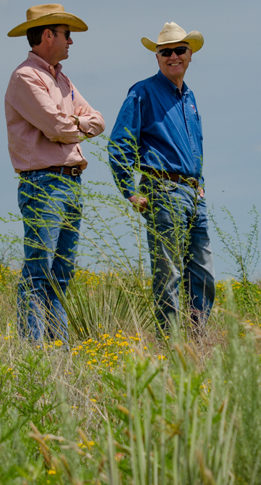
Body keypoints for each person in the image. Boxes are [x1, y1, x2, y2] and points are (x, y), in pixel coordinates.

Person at [4, 4, 105, 342]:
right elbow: (57, 126)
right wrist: (78, 124)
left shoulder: (61, 78)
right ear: (48, 35)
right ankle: (34, 351)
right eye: (67, 35)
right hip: (44, 182)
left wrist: (74, 123)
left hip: (68, 181)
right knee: (39, 270)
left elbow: (98, 120)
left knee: (61, 273)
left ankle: (56, 351)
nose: (71, 42)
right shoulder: (25, 77)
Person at [108, 22, 215, 331]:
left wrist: (201, 185)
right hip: (163, 190)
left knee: (202, 272)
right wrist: (130, 189)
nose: (172, 56)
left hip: (193, 194)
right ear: (157, 57)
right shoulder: (142, 92)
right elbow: (120, 142)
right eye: (165, 52)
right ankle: (170, 342)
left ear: (190, 54)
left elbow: (195, 146)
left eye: (179, 50)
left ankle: (199, 339)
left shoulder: (190, 97)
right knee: (168, 272)